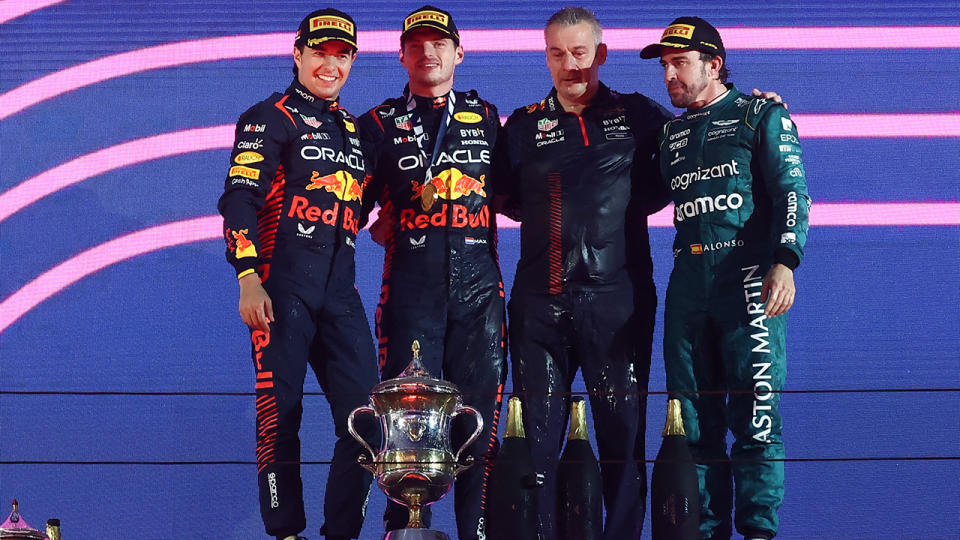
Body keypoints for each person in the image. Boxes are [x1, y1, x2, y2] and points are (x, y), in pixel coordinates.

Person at [494, 7, 673, 539]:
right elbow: (499, 197)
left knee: (623, 442)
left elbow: (695, 150)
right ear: (545, 56)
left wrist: (758, 107)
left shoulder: (639, 115)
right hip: (538, 308)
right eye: (558, 54)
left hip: (617, 303)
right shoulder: (523, 125)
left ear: (601, 53)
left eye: (580, 52)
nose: (570, 65)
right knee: (535, 446)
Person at [641, 17, 811, 540]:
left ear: (714, 64)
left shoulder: (761, 113)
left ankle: (759, 533)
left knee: (757, 419)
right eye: (664, 64)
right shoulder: (668, 133)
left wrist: (786, 260)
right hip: (688, 281)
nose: (669, 73)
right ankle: (706, 532)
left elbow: (791, 190)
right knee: (691, 423)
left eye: (680, 62)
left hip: (747, 278)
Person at [217, 9, 379, 540]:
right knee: (279, 411)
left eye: (342, 55)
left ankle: (341, 535)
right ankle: (285, 532)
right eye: (320, 52)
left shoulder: (356, 131)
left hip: (340, 291)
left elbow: (368, 205)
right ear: (298, 53)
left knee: (368, 421)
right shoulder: (269, 116)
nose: (330, 64)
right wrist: (246, 275)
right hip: (278, 282)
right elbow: (240, 198)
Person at [356, 6, 506, 540]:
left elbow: (519, 190)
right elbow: (354, 207)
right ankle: (402, 531)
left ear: (459, 53)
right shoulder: (376, 124)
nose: (428, 52)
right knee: (405, 425)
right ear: (401, 55)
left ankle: (479, 532)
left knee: (479, 422)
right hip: (412, 290)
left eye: (439, 43)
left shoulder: (487, 117)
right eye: (416, 44)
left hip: (479, 289)